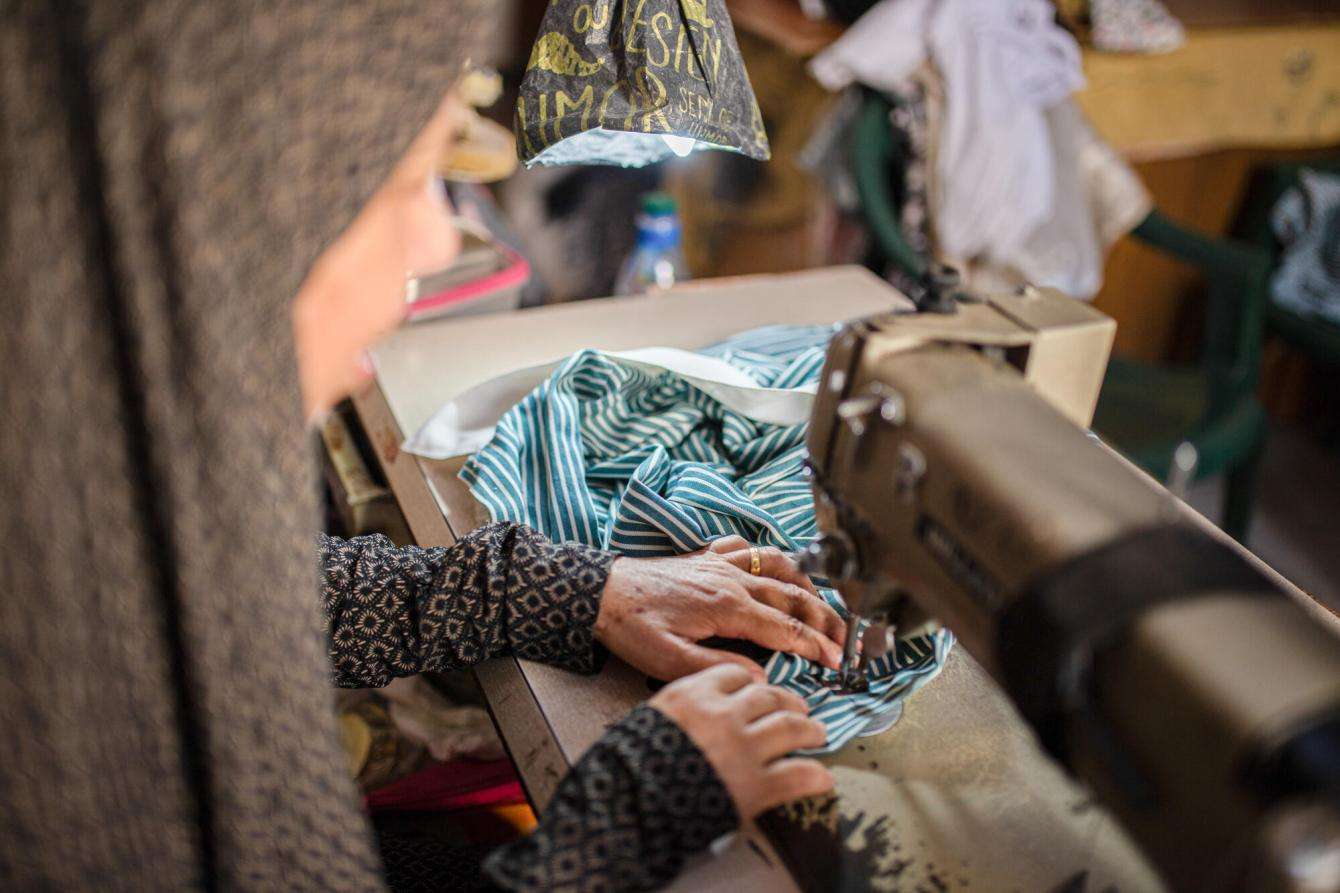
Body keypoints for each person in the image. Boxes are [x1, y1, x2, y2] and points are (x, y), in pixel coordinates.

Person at [1, 3, 841, 889]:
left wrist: (574, 588)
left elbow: (271, 592)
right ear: (226, 237)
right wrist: (618, 828)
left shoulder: (90, 520)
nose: (438, 240)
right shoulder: (50, 753)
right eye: (399, 188)